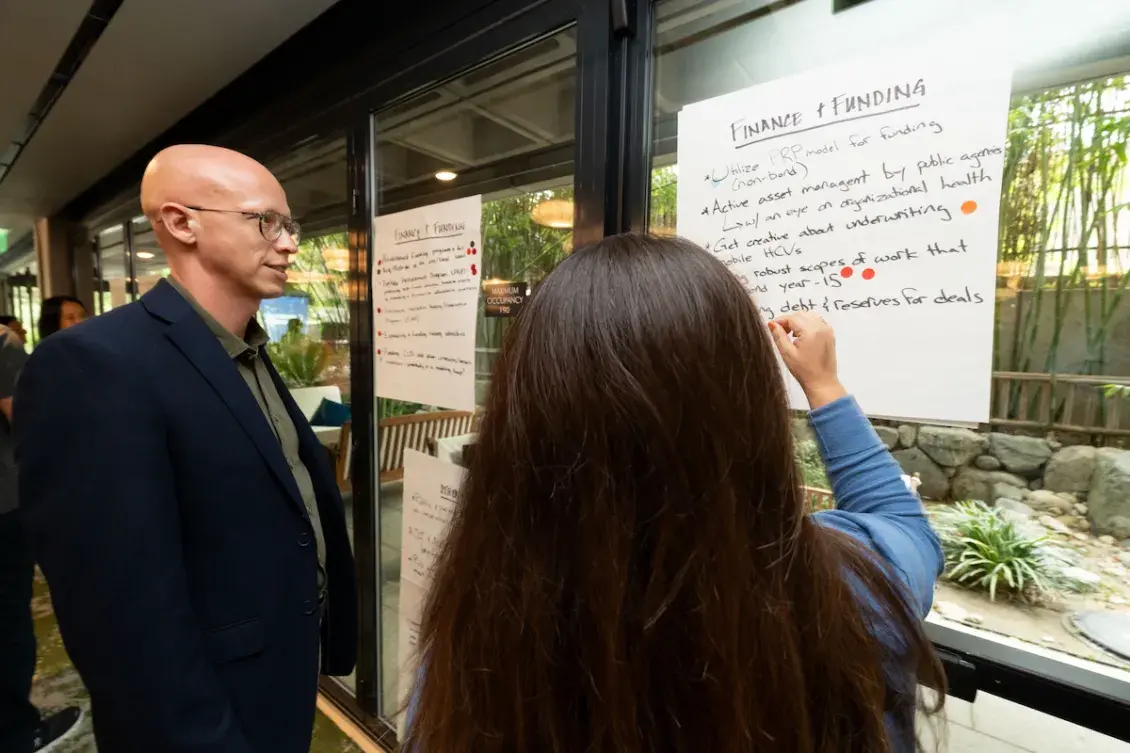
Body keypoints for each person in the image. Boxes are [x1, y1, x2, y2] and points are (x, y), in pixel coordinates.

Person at [404, 234, 946, 753]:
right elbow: (904, 522)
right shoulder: (848, 589)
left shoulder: (477, 648)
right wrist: (824, 387)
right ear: (748, 412)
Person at [14, 144, 357, 753]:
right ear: (180, 222)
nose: (288, 243)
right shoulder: (94, 365)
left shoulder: (244, 351)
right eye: (264, 221)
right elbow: (117, 613)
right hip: (200, 718)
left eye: (290, 225)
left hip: (275, 678)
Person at [0, 318, 83, 753]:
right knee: (9, 622)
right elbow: (29, 425)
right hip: (3, 508)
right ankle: (17, 732)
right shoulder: (4, 348)